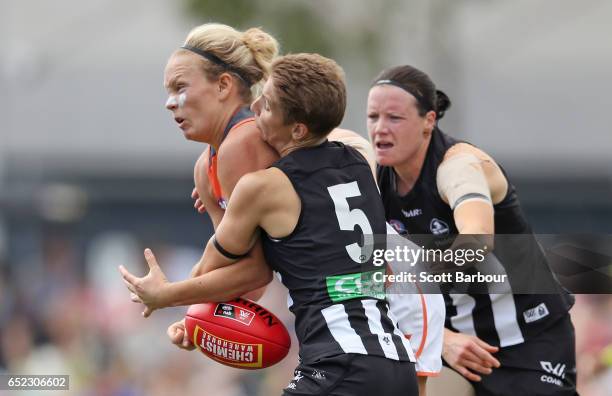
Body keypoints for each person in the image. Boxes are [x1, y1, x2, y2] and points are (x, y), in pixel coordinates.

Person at [121, 53, 418, 395]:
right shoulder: (358, 159)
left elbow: (221, 266)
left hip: (339, 364)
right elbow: (383, 275)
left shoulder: (262, 188)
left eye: (269, 104)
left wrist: (167, 296)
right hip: (396, 363)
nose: (256, 105)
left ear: (297, 128)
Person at [159, 22, 376, 345]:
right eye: (168, 92)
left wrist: (171, 299)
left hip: (375, 294)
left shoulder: (242, 142)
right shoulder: (206, 167)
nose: (170, 102)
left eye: (180, 87)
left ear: (223, 86)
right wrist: (196, 316)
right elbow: (245, 277)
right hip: (357, 305)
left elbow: (254, 273)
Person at [367, 65, 577, 395]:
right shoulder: (374, 178)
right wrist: (444, 339)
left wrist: (412, 274)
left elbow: (478, 239)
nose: (380, 129)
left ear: (429, 121)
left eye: (394, 118)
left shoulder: (459, 166)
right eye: (373, 116)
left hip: (528, 338)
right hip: (453, 346)